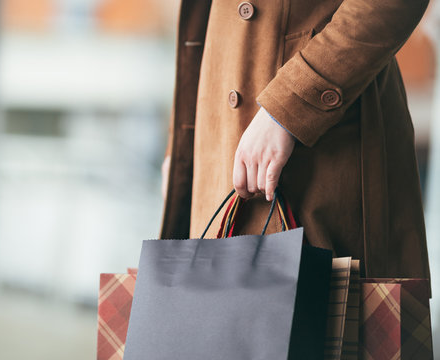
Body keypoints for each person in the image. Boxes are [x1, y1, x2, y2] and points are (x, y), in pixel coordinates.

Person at [160, 0, 431, 286]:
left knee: (327, 322)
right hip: (216, 144)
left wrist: (288, 108)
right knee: (209, 316)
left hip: (322, 148)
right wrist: (182, 146)